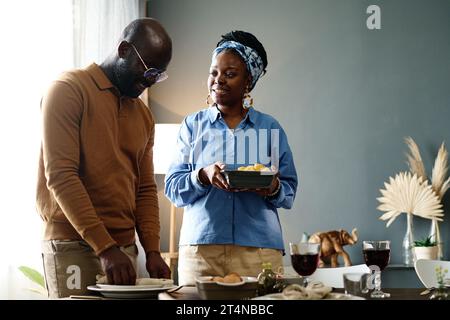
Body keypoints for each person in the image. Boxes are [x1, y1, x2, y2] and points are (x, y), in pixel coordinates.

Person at [37, 18, 172, 298]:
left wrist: (152, 250)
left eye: (157, 75)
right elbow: (61, 177)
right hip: (73, 244)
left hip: (123, 249)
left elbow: (145, 189)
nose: (149, 81)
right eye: (147, 70)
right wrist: (105, 247)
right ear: (123, 50)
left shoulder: (144, 116)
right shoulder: (68, 90)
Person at [164, 30, 298, 285]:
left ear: (248, 80)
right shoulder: (192, 126)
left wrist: (272, 187)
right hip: (200, 252)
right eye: (214, 72)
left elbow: (289, 191)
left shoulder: (270, 127)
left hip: (259, 252)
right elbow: (172, 188)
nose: (218, 80)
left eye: (230, 74)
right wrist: (202, 175)